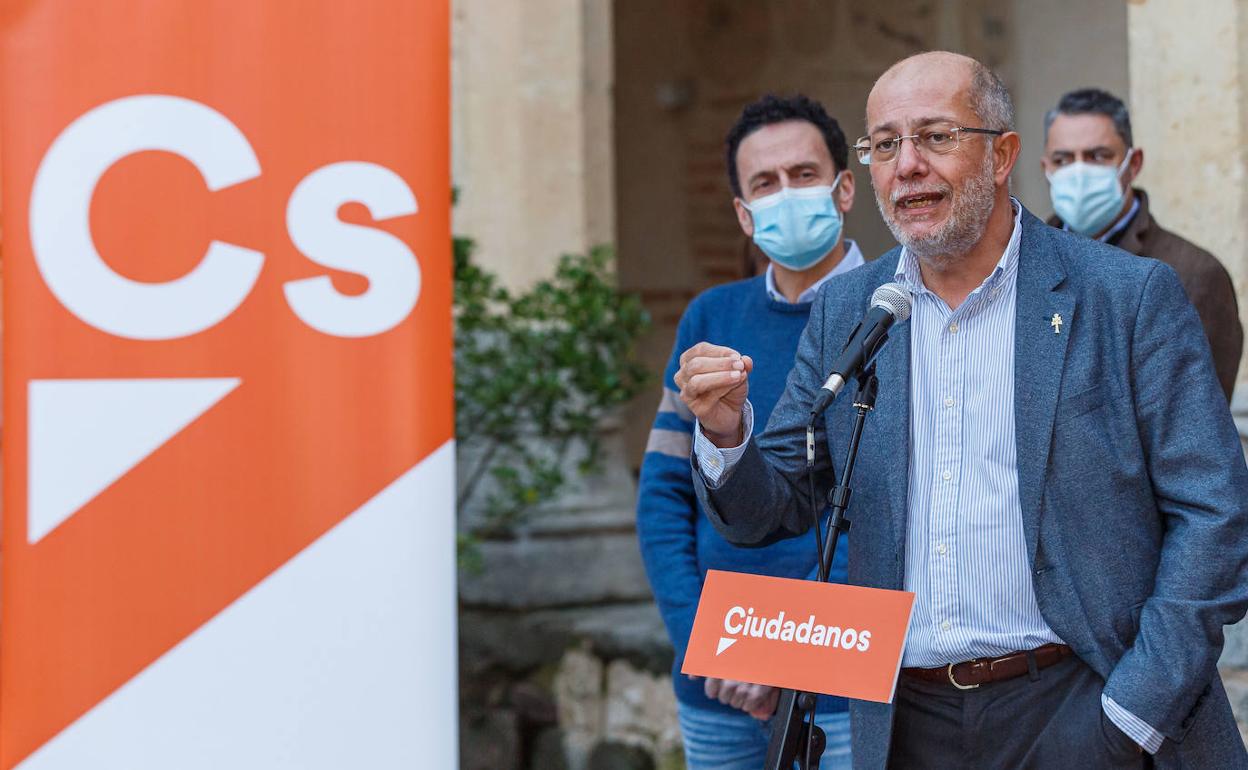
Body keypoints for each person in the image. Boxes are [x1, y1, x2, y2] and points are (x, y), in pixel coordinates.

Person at [675, 52, 1248, 769]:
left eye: (936, 136)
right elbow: (780, 500)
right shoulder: (852, 309)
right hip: (908, 723)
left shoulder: (1126, 298)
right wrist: (725, 433)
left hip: (1081, 701)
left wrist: (1133, 714)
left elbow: (1214, 515)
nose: (907, 164)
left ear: (1003, 155)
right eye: (884, 144)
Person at [636, 93, 860, 770]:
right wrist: (707, 640)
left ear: (844, 188)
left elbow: (886, 516)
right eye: (765, 183)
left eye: (803, 174)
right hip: (717, 683)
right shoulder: (712, 317)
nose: (786, 194)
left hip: (847, 688)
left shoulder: (892, 312)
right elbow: (663, 498)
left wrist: (783, 651)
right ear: (741, 212)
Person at [1042, 87, 1243, 400]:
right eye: (1063, 159)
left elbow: (1200, 424)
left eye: (1097, 156)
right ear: (1046, 169)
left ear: (1133, 164)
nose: (1079, 172)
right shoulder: (1025, 259)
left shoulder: (1193, 273)